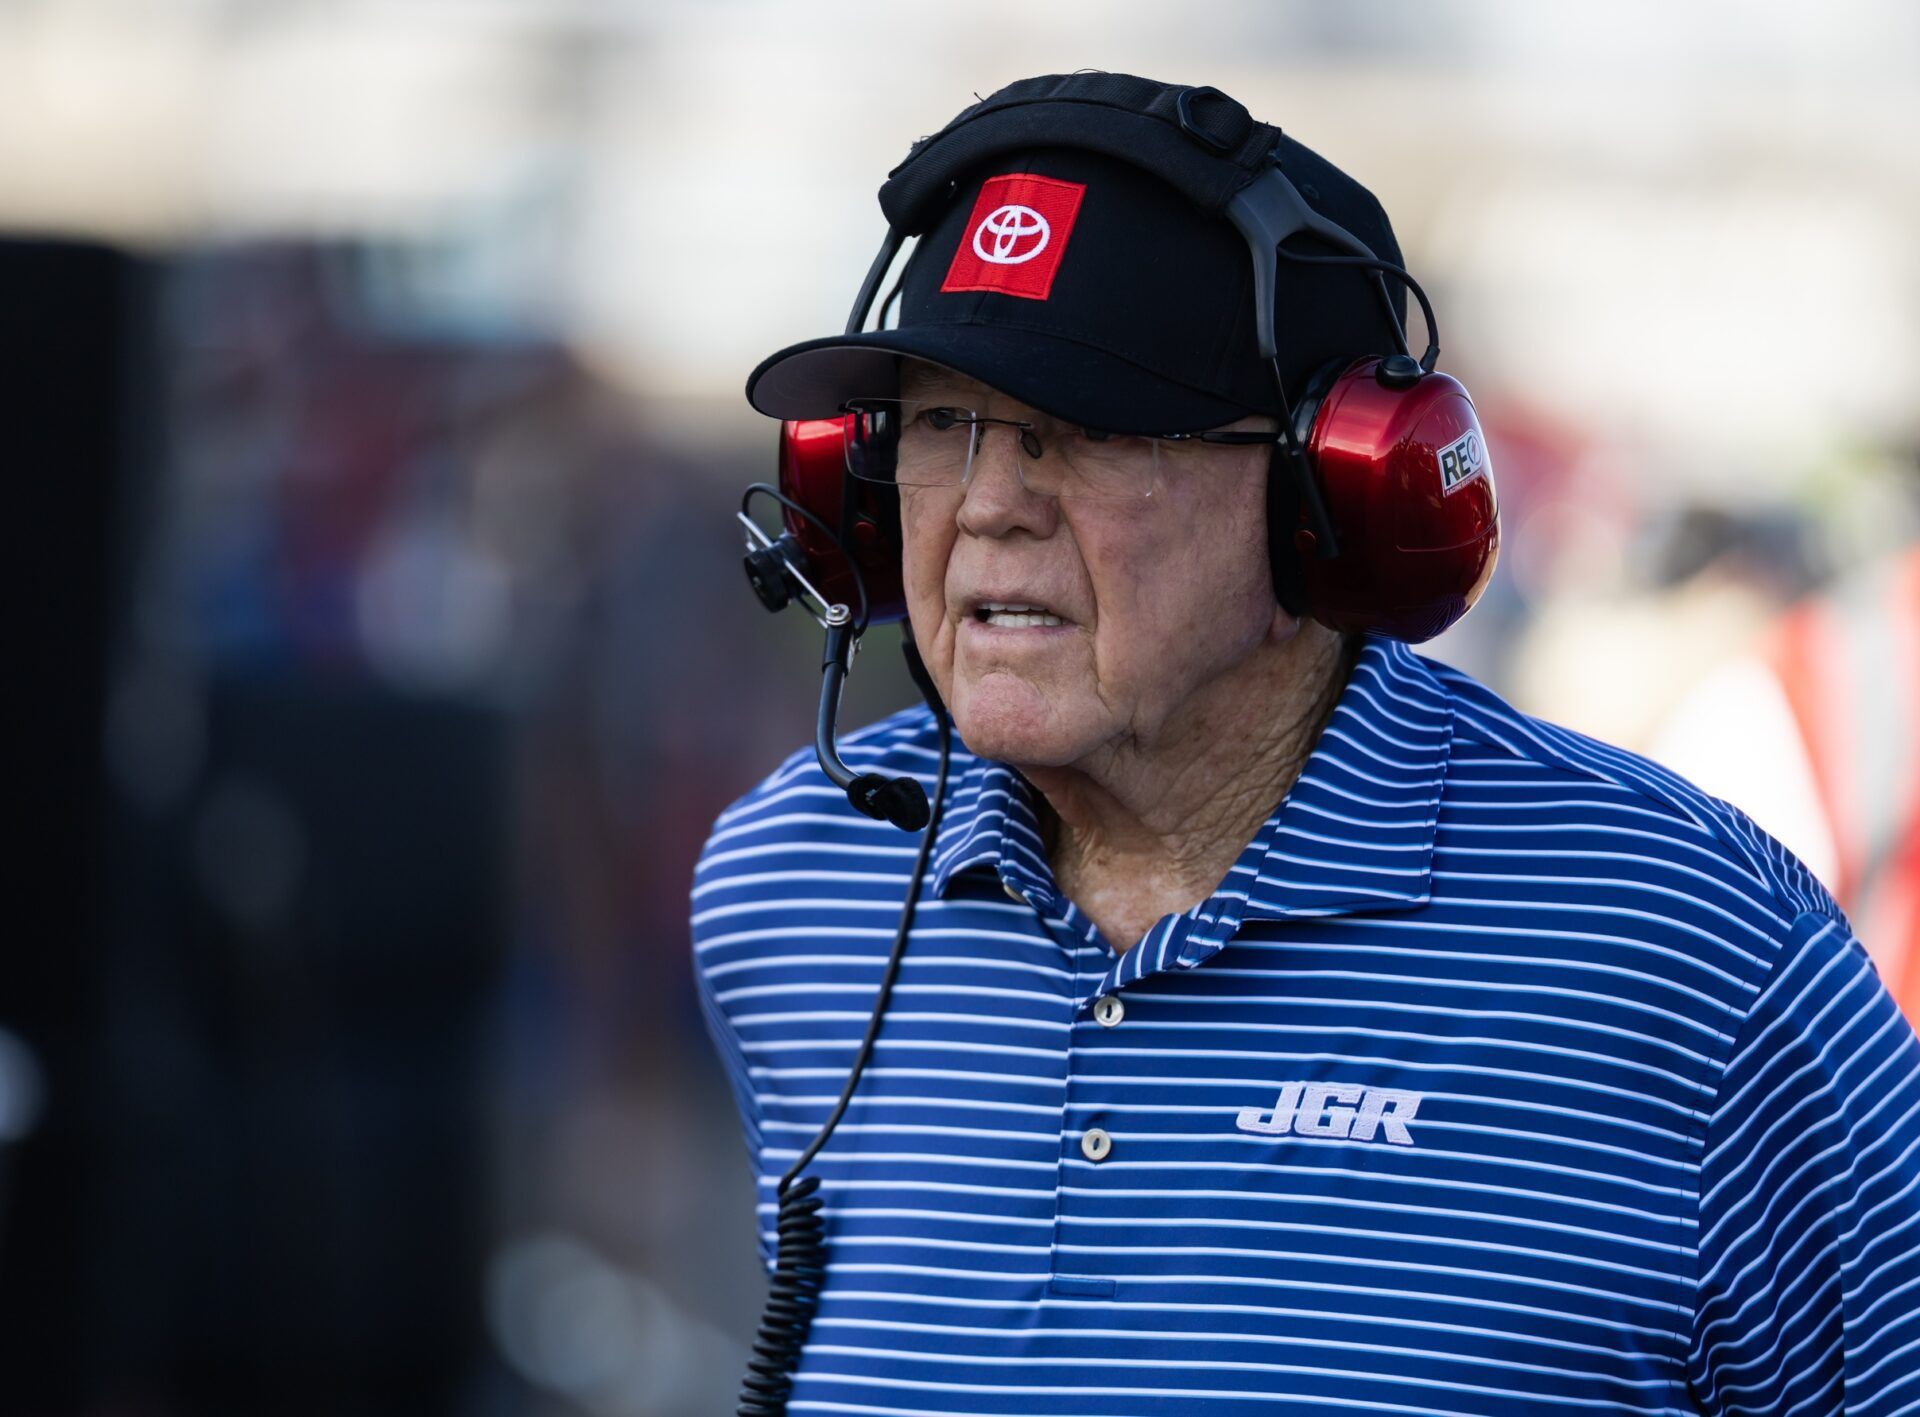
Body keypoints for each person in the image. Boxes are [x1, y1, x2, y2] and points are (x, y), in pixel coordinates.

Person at [692, 72, 1920, 1414]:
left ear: (1325, 493)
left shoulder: (1695, 950)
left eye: (1085, 432)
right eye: (940, 424)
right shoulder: (789, 882)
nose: (988, 506)